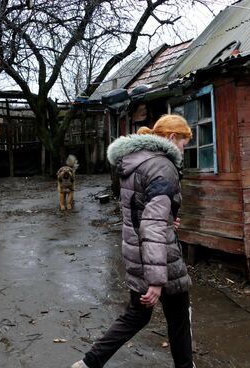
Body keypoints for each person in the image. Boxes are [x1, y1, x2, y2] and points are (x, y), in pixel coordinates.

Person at [71, 114, 195, 368]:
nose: (183, 149)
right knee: (178, 316)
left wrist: (168, 216)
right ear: (172, 138)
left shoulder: (136, 161)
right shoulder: (162, 166)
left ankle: (88, 363)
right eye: (184, 143)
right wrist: (156, 280)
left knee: (137, 316)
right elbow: (152, 223)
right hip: (158, 257)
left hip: (139, 251)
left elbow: (141, 210)